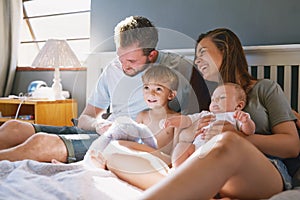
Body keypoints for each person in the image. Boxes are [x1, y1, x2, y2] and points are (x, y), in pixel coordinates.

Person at [99, 28, 299, 199]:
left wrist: (239, 136)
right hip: (201, 163)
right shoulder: (205, 98)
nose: (197, 60)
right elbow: (178, 148)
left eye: (202, 52)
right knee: (115, 148)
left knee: (227, 143)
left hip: (262, 170)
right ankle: (194, 188)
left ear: (225, 50)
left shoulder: (264, 88)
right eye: (195, 55)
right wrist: (188, 132)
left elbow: (291, 146)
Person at [0, 16, 210, 163]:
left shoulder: (179, 68)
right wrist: (98, 123)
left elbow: (203, 115)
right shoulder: (112, 69)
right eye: (120, 57)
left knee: (41, 142)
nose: (123, 65)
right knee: (14, 128)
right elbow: (85, 118)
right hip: (102, 130)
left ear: (152, 56)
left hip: (124, 141)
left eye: (131, 60)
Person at [84, 64, 181, 167]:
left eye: (158, 89)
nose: (150, 93)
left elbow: (177, 151)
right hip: (140, 156)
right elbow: (135, 140)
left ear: (171, 95)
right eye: (146, 87)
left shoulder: (177, 119)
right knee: (115, 146)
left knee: (120, 146)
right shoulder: (142, 116)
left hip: (161, 160)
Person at [167, 83, 255, 168]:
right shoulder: (204, 114)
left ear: (239, 105)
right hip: (197, 149)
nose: (215, 101)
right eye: (212, 99)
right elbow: (188, 120)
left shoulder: (235, 115)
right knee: (182, 147)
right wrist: (174, 121)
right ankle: (178, 170)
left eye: (222, 97)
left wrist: (246, 122)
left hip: (220, 150)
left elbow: (249, 131)